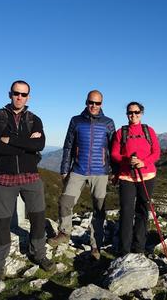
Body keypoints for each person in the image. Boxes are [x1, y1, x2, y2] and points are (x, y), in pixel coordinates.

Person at [0, 80, 54, 281]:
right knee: (2, 223)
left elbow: (40, 144)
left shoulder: (35, 119)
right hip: (4, 177)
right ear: (10, 94)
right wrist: (27, 144)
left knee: (39, 219)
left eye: (24, 94)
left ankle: (38, 254)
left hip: (31, 177)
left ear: (28, 97)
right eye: (16, 93)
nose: (19, 97)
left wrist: (12, 140)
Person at [48, 90, 115, 260]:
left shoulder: (108, 123)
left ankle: (95, 245)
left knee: (99, 209)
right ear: (86, 102)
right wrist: (64, 169)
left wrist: (113, 171)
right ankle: (64, 233)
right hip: (78, 169)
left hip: (100, 172)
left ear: (102, 104)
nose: (93, 106)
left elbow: (113, 149)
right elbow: (68, 146)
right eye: (91, 102)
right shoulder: (76, 121)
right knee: (65, 202)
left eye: (97, 103)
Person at [111, 102, 160, 255]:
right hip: (127, 177)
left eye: (136, 112)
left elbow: (156, 152)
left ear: (141, 113)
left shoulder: (148, 131)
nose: (133, 115)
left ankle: (139, 248)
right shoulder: (121, 132)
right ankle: (124, 250)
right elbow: (114, 154)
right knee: (126, 211)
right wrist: (128, 160)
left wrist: (143, 162)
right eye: (130, 113)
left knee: (142, 211)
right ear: (127, 114)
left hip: (147, 176)